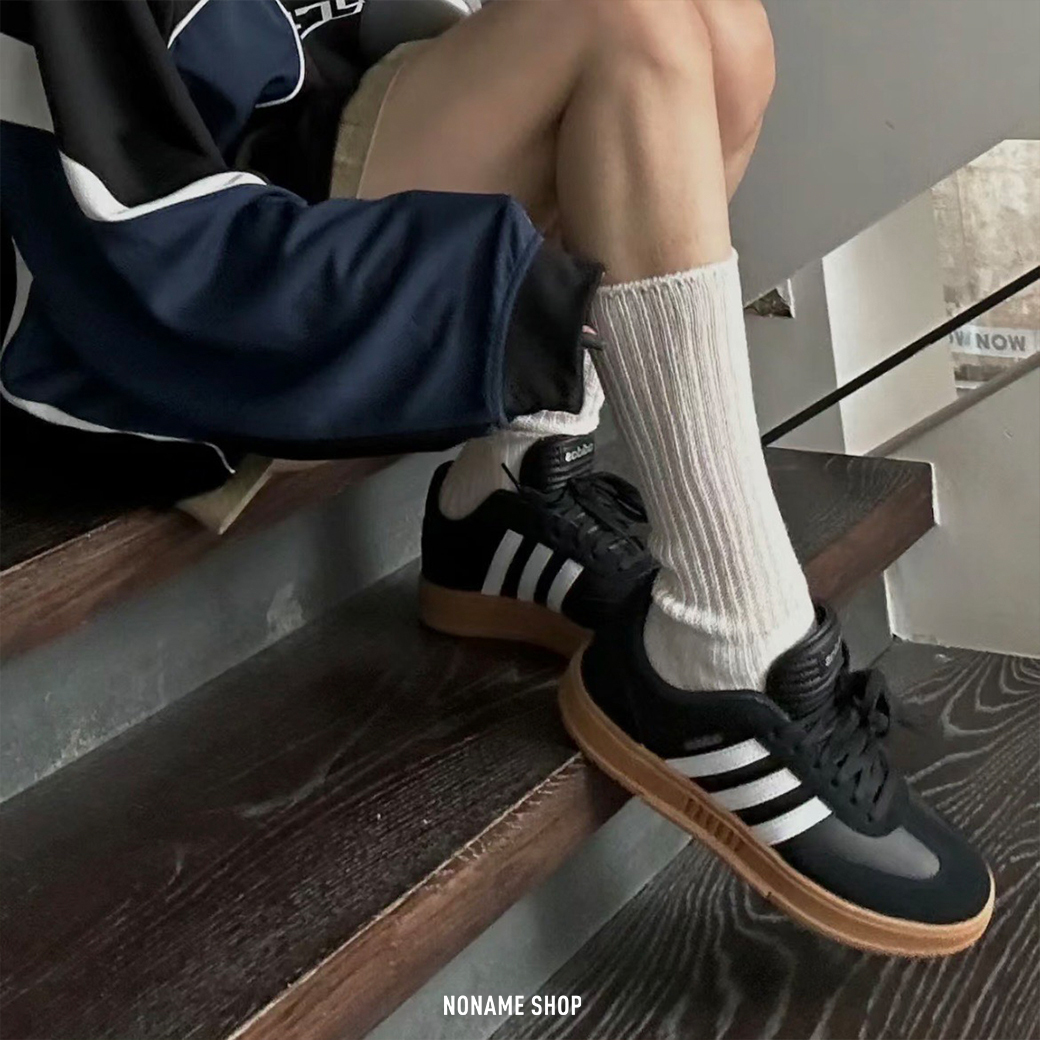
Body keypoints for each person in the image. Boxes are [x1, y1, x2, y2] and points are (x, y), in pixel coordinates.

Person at [1, 0, 991, 955]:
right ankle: (725, 637)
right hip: (192, 287)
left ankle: (514, 478)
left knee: (723, 31)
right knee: (628, 28)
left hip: (314, 139)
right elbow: (136, 226)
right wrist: (482, 288)